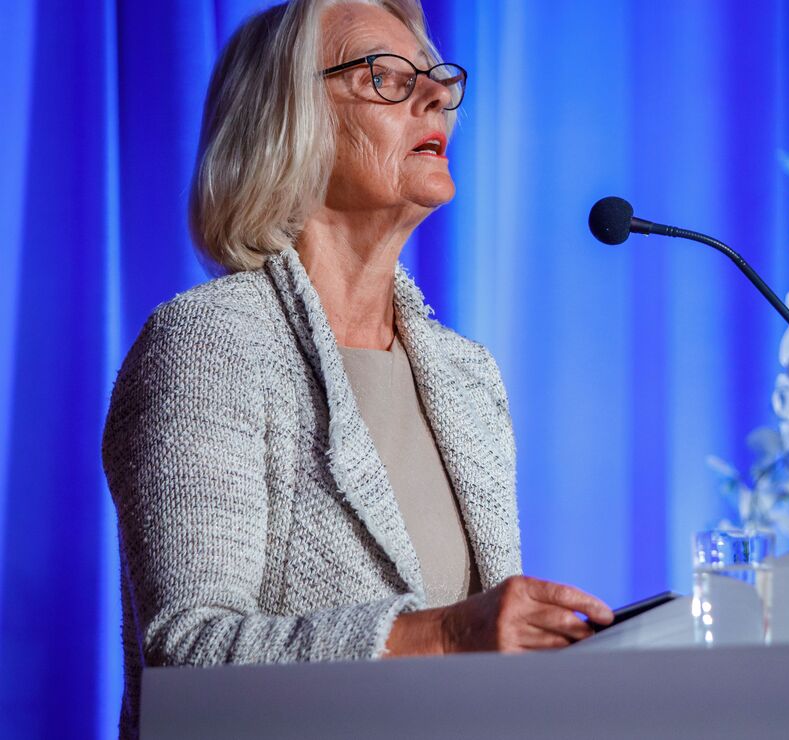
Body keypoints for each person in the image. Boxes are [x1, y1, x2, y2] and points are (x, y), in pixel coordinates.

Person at [101, 1, 612, 737]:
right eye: (387, 77)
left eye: (435, 77)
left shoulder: (470, 378)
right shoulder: (207, 344)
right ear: (286, 122)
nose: (435, 94)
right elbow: (190, 657)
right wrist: (446, 634)